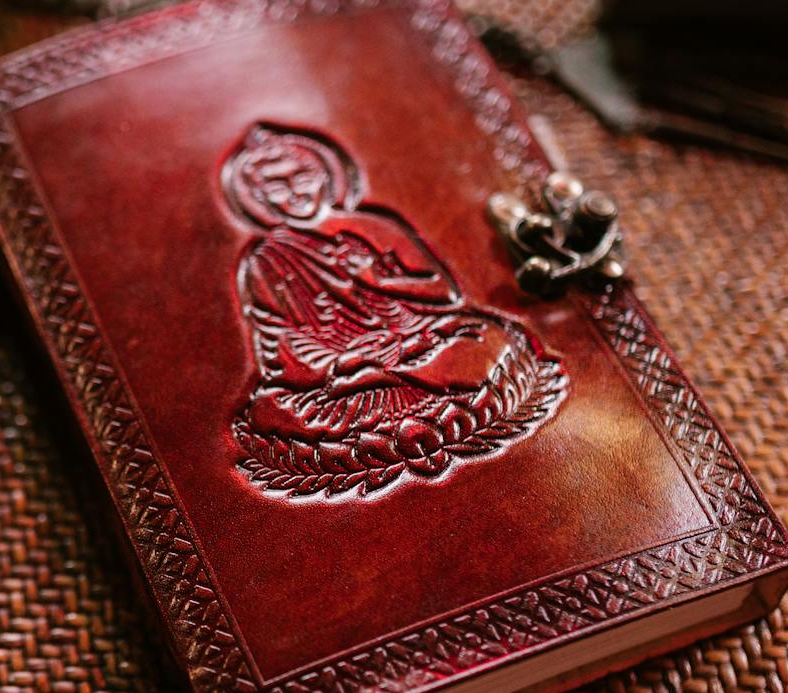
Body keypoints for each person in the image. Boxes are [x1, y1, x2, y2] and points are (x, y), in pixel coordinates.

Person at [222, 122, 567, 497]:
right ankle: (433, 401)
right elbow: (278, 357)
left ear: (323, 175)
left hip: (416, 341)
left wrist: (376, 278)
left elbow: (442, 293)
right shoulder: (265, 261)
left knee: (489, 338)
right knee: (270, 410)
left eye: (302, 176)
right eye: (277, 185)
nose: (294, 192)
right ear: (259, 197)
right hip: (343, 375)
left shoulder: (374, 225)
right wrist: (345, 361)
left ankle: (395, 400)